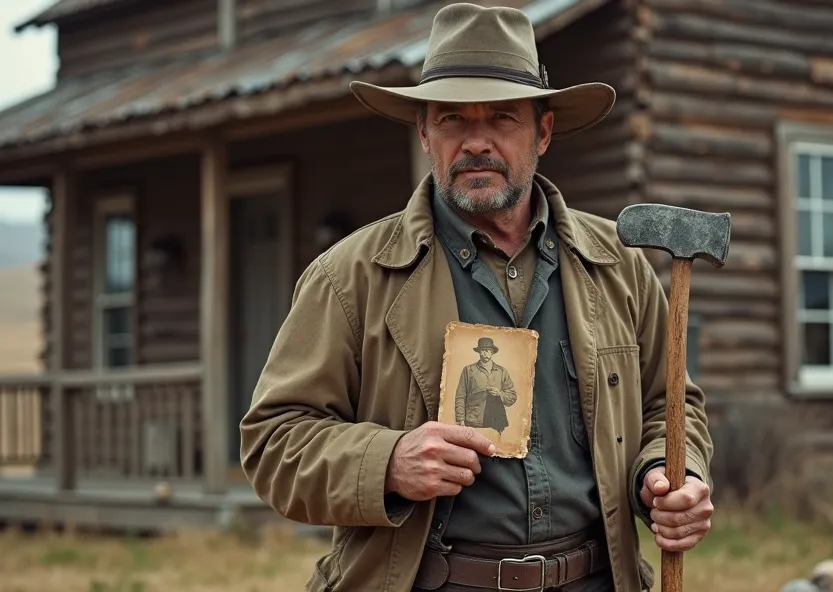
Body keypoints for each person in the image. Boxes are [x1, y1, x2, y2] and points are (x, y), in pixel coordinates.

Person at [240, 4, 715, 591]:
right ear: (423, 133)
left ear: (543, 131)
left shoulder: (618, 266)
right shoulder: (350, 277)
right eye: (452, 120)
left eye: (502, 118)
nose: (476, 142)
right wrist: (387, 462)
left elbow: (670, 407)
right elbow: (273, 442)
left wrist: (669, 475)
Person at [454, 337, 518, 433]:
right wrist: (460, 420)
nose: (485, 354)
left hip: (496, 422)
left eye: (488, 351)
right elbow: (460, 396)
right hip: (474, 421)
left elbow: (512, 396)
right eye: (482, 350)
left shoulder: (502, 371)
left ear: (492, 352)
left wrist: (500, 393)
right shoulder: (468, 370)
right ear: (479, 352)